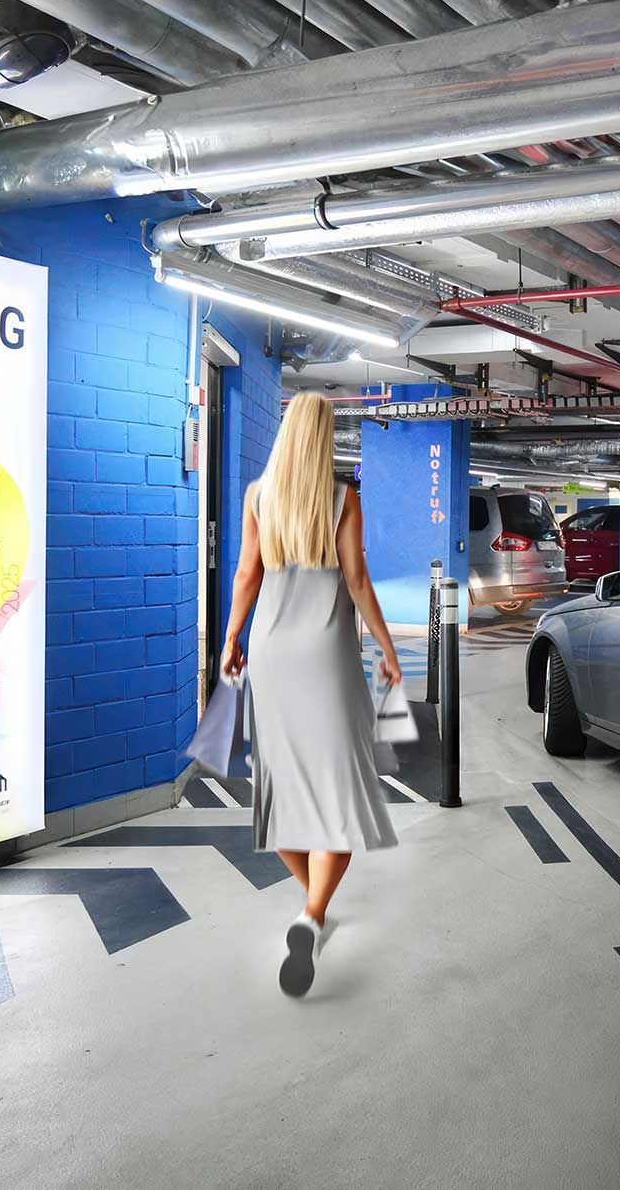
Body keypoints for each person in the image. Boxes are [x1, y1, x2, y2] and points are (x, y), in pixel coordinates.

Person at [221, 392, 402, 997]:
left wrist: (229, 638)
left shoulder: (257, 497)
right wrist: (386, 646)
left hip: (271, 655)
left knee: (282, 793)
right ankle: (314, 913)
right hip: (327, 659)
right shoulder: (342, 499)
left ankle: (311, 906)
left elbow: (247, 574)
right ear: (323, 438)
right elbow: (357, 579)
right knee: (339, 799)